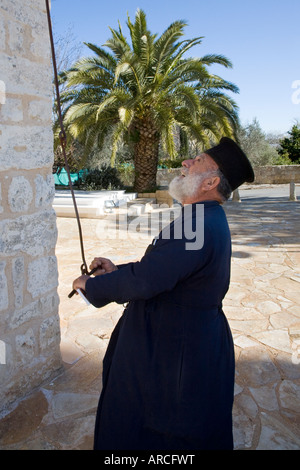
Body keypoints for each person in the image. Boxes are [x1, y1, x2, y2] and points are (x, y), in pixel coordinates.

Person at [72, 137, 255, 450]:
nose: (185, 163)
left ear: (210, 182)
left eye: (196, 161)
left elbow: (146, 281)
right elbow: (163, 271)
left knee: (161, 430)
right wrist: (116, 272)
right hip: (182, 337)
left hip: (175, 349)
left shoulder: (199, 224)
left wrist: (92, 285)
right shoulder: (202, 218)